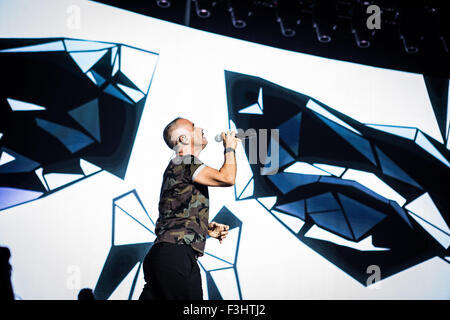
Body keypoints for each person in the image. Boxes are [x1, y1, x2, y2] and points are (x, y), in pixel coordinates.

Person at [139, 117, 240, 300]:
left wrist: (205, 227)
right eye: (193, 126)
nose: (201, 127)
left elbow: (175, 211)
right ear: (183, 139)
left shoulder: (178, 166)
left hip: (162, 256)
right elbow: (227, 178)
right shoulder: (186, 161)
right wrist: (230, 148)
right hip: (176, 256)